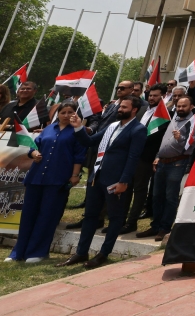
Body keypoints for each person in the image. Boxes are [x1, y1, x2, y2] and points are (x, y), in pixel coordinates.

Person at [59, 95, 146, 268]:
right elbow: (89, 142)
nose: (120, 109)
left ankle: (103, 254)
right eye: (120, 106)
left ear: (134, 110)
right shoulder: (112, 126)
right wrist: (78, 128)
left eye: (124, 107)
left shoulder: (138, 130)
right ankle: (81, 252)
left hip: (116, 182)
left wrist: (124, 181)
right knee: (90, 216)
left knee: (114, 218)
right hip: (96, 178)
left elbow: (133, 158)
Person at [6, 102, 86, 262]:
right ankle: (18, 252)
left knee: (47, 215)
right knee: (28, 215)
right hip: (36, 177)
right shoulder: (48, 129)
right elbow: (33, 147)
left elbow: (79, 155)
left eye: (70, 112)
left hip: (58, 179)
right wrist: (33, 153)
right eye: (63, 112)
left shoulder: (78, 132)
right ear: (58, 113)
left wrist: (75, 175)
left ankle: (37, 252)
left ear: (76, 113)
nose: (66, 115)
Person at [136, 93, 195, 240]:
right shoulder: (173, 119)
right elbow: (164, 141)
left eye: (184, 106)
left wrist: (181, 138)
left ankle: (165, 228)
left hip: (177, 163)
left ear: (191, 107)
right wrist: (158, 157)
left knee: (170, 197)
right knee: (156, 195)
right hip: (162, 162)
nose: (180, 108)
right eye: (178, 106)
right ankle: (155, 226)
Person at [122, 83, 168, 234]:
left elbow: (161, 138)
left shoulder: (165, 115)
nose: (152, 98)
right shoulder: (141, 110)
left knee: (139, 189)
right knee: (125, 187)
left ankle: (132, 222)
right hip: (130, 154)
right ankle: (120, 221)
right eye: (151, 95)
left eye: (156, 95)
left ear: (163, 97)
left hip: (146, 157)